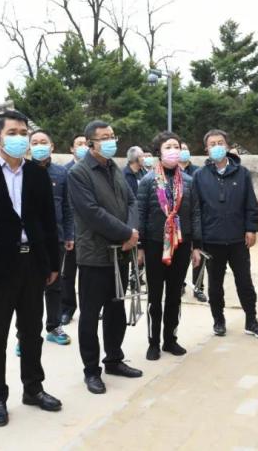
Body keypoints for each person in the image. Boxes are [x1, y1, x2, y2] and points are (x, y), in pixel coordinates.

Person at [0, 110, 62, 428]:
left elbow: (48, 221)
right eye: (12, 132)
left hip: (32, 264)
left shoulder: (37, 174)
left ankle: (33, 389)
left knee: (31, 332)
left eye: (23, 133)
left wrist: (52, 262)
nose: (20, 138)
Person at [68, 120, 142, 395]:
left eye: (112, 136)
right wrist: (125, 233)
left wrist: (131, 232)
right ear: (90, 143)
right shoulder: (79, 173)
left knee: (116, 310)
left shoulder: (114, 168)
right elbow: (91, 212)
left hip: (120, 255)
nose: (111, 141)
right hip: (95, 256)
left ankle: (114, 359)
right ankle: (91, 371)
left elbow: (132, 201)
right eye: (104, 137)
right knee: (90, 316)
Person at [193, 129, 258, 340]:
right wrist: (197, 241)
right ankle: (218, 320)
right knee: (215, 285)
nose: (216, 147)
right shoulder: (199, 176)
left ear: (227, 146)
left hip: (238, 240)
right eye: (212, 144)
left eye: (220, 142)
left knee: (245, 282)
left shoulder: (242, 173)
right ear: (206, 149)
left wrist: (251, 228)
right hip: (212, 241)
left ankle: (251, 321)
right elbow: (196, 210)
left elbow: (251, 204)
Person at [136, 131, 201, 361]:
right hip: (155, 245)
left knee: (174, 295)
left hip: (181, 244)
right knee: (155, 297)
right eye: (168, 147)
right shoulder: (148, 181)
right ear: (158, 152)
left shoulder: (190, 182)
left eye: (177, 146)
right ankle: (153, 342)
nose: (174, 151)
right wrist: (140, 247)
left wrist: (196, 246)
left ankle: (170, 339)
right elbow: (140, 214)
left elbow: (195, 214)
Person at [26, 130, 73, 347]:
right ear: (29, 147)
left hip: (56, 238)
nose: (39, 146)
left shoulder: (62, 173)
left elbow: (67, 206)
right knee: (29, 287)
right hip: (29, 240)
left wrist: (69, 234)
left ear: (52, 146)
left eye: (43, 142)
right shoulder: (22, 171)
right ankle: (26, 334)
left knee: (54, 284)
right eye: (34, 142)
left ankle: (54, 327)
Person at [60, 134, 87, 325]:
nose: (83, 146)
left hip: (90, 232)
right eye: (79, 144)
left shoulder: (94, 171)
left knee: (88, 274)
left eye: (86, 143)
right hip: (70, 231)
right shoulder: (64, 172)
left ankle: (89, 308)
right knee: (67, 274)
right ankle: (67, 309)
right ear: (72, 149)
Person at [178, 141, 206, 303]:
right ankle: (179, 284)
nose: (183, 151)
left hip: (195, 217)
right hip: (178, 221)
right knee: (179, 257)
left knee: (198, 254)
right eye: (180, 149)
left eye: (185, 148)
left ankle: (198, 287)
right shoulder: (171, 172)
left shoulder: (198, 171)